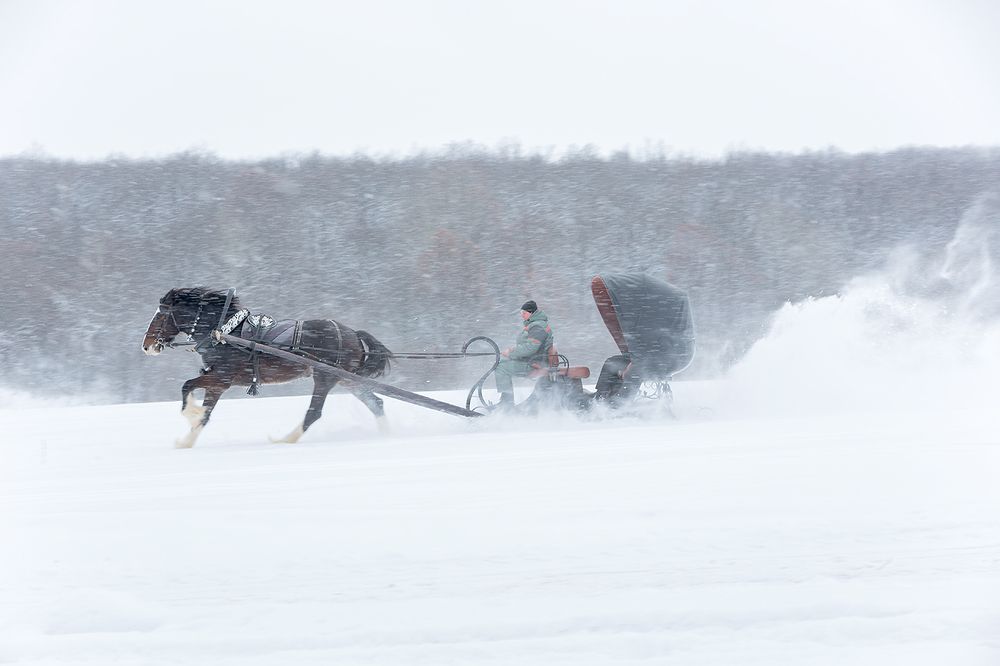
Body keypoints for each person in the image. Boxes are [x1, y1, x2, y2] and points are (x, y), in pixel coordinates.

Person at [494, 300, 554, 407]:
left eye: (524, 313)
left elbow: (531, 348)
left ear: (532, 313)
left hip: (535, 364)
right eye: (521, 313)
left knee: (501, 368)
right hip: (533, 360)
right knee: (502, 363)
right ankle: (506, 400)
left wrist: (511, 353)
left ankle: (506, 402)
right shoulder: (536, 325)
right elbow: (529, 345)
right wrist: (512, 350)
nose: (522, 315)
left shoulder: (537, 327)